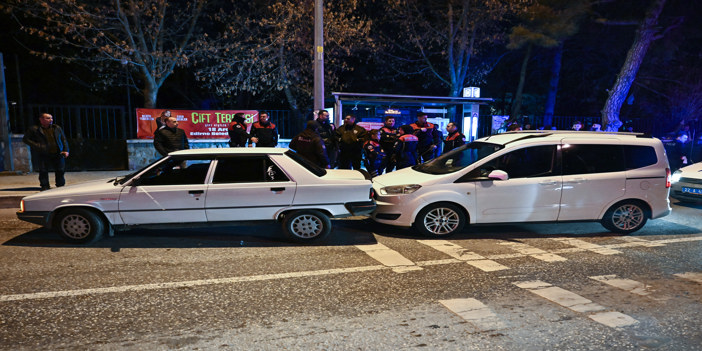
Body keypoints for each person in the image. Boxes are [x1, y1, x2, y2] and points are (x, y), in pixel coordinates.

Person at [23, 113, 70, 191]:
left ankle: (60, 185)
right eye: (48, 118)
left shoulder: (56, 128)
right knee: (43, 170)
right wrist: (37, 145)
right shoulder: (35, 129)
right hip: (44, 153)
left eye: (51, 118)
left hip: (58, 152)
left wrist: (65, 150)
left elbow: (63, 139)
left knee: (60, 170)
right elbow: (26, 139)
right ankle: (45, 186)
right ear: (41, 119)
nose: (51, 120)